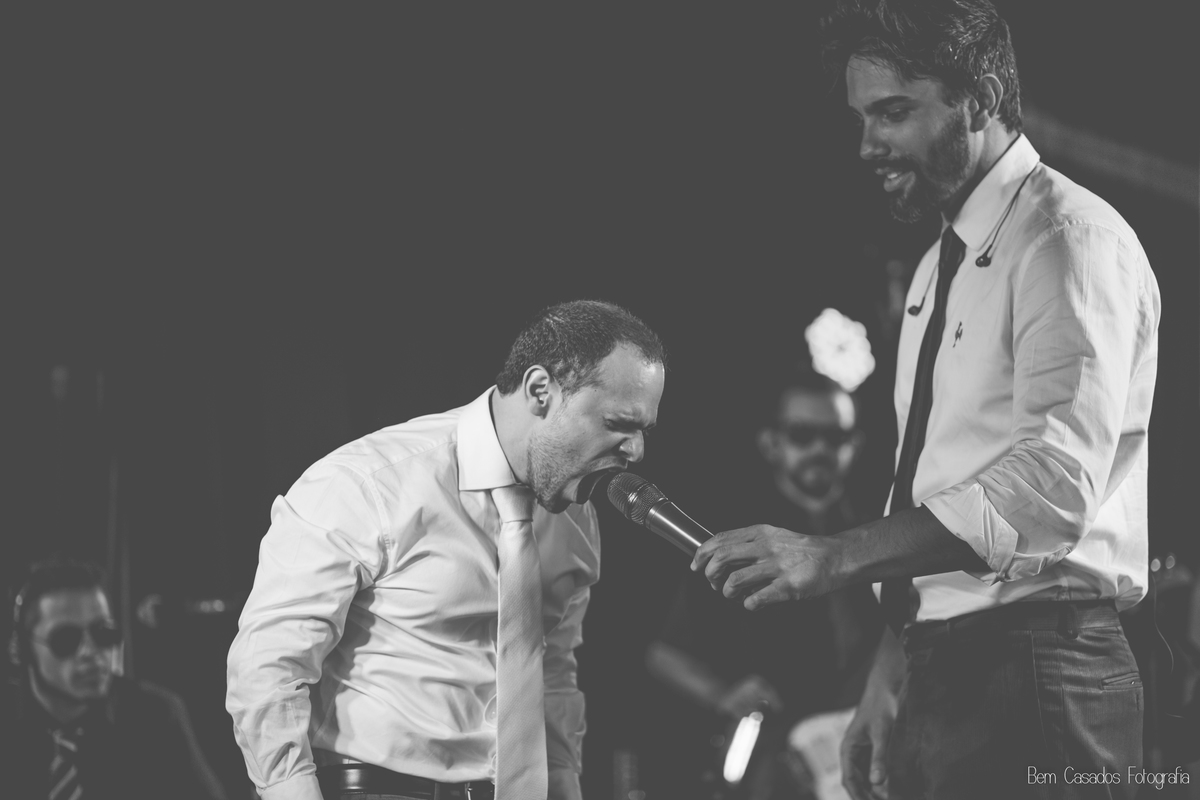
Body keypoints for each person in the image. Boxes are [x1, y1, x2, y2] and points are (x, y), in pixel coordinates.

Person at [692, 1, 1160, 798]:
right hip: (945, 663)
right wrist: (892, 664)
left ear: (979, 100)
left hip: (1043, 662)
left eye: (893, 113)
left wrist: (831, 555)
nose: (867, 144)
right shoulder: (933, 271)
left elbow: (1051, 489)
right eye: (862, 118)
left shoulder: (1067, 239)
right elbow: (933, 483)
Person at [226, 299, 666, 800]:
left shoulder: (576, 519)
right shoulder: (367, 483)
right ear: (540, 391)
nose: (636, 451)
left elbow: (553, 669)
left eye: (643, 431)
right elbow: (267, 667)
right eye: (618, 423)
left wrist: (564, 784)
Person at [645, 368, 881, 799]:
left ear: (856, 444)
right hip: (778, 758)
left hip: (868, 740)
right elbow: (664, 653)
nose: (820, 449)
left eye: (836, 436)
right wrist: (723, 693)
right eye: (802, 434)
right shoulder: (738, 538)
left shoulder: (878, 527)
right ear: (771, 443)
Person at [1, 560, 229, 800]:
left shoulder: (155, 715)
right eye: (66, 638)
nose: (90, 652)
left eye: (103, 632)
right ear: (20, 649)